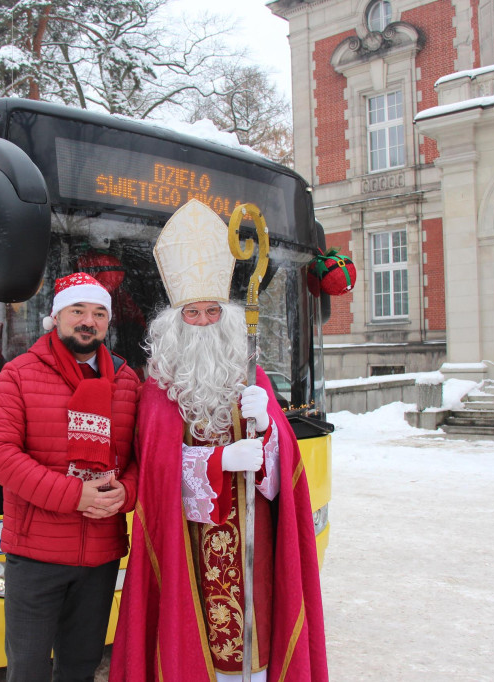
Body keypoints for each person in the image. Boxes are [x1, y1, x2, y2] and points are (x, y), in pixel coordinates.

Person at [110, 200, 328, 681]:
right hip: (188, 548)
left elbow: (283, 476)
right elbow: (158, 475)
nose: (205, 322)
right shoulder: (159, 390)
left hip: (256, 545)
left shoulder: (251, 379)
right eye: (194, 313)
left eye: (213, 311)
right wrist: (220, 460)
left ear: (228, 315)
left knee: (254, 647)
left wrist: (269, 431)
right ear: (175, 320)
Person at [0, 272, 141, 682]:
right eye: (78, 311)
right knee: (29, 669)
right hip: (37, 556)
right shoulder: (19, 374)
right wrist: (75, 495)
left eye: (99, 313)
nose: (89, 320)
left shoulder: (126, 381)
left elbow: (144, 459)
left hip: (101, 556)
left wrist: (126, 491)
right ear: (56, 317)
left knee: (80, 667)